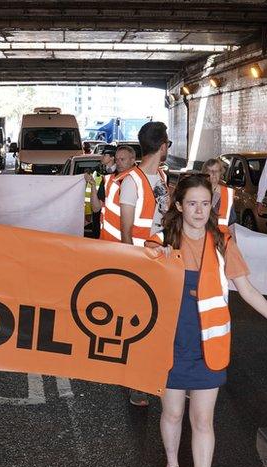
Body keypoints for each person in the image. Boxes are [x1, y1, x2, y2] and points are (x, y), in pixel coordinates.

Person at [149, 175, 267, 467]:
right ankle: (172, 466)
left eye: (205, 203)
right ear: (178, 206)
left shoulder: (223, 242)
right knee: (172, 413)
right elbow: (135, 283)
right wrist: (157, 260)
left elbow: (247, 289)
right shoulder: (162, 240)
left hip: (209, 344)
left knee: (202, 420)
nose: (199, 210)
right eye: (192, 203)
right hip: (169, 343)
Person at [101, 122, 171, 406]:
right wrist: (134, 269)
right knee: (138, 326)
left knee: (157, 325)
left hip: (161, 262)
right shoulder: (132, 181)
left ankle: (152, 375)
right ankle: (135, 383)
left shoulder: (162, 179)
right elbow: (126, 231)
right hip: (140, 266)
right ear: (163, 146)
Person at [83, 149, 117, 238]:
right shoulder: (97, 170)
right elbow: (88, 171)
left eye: (104, 155)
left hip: (112, 210)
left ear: (112, 157)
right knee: (97, 233)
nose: (101, 157)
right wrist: (86, 173)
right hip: (97, 208)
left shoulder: (120, 172)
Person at [202, 157, 236, 227]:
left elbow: (231, 223)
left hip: (220, 236)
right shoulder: (197, 192)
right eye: (210, 171)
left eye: (216, 171)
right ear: (205, 173)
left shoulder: (227, 193)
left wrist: (233, 237)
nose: (214, 174)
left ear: (220, 173)